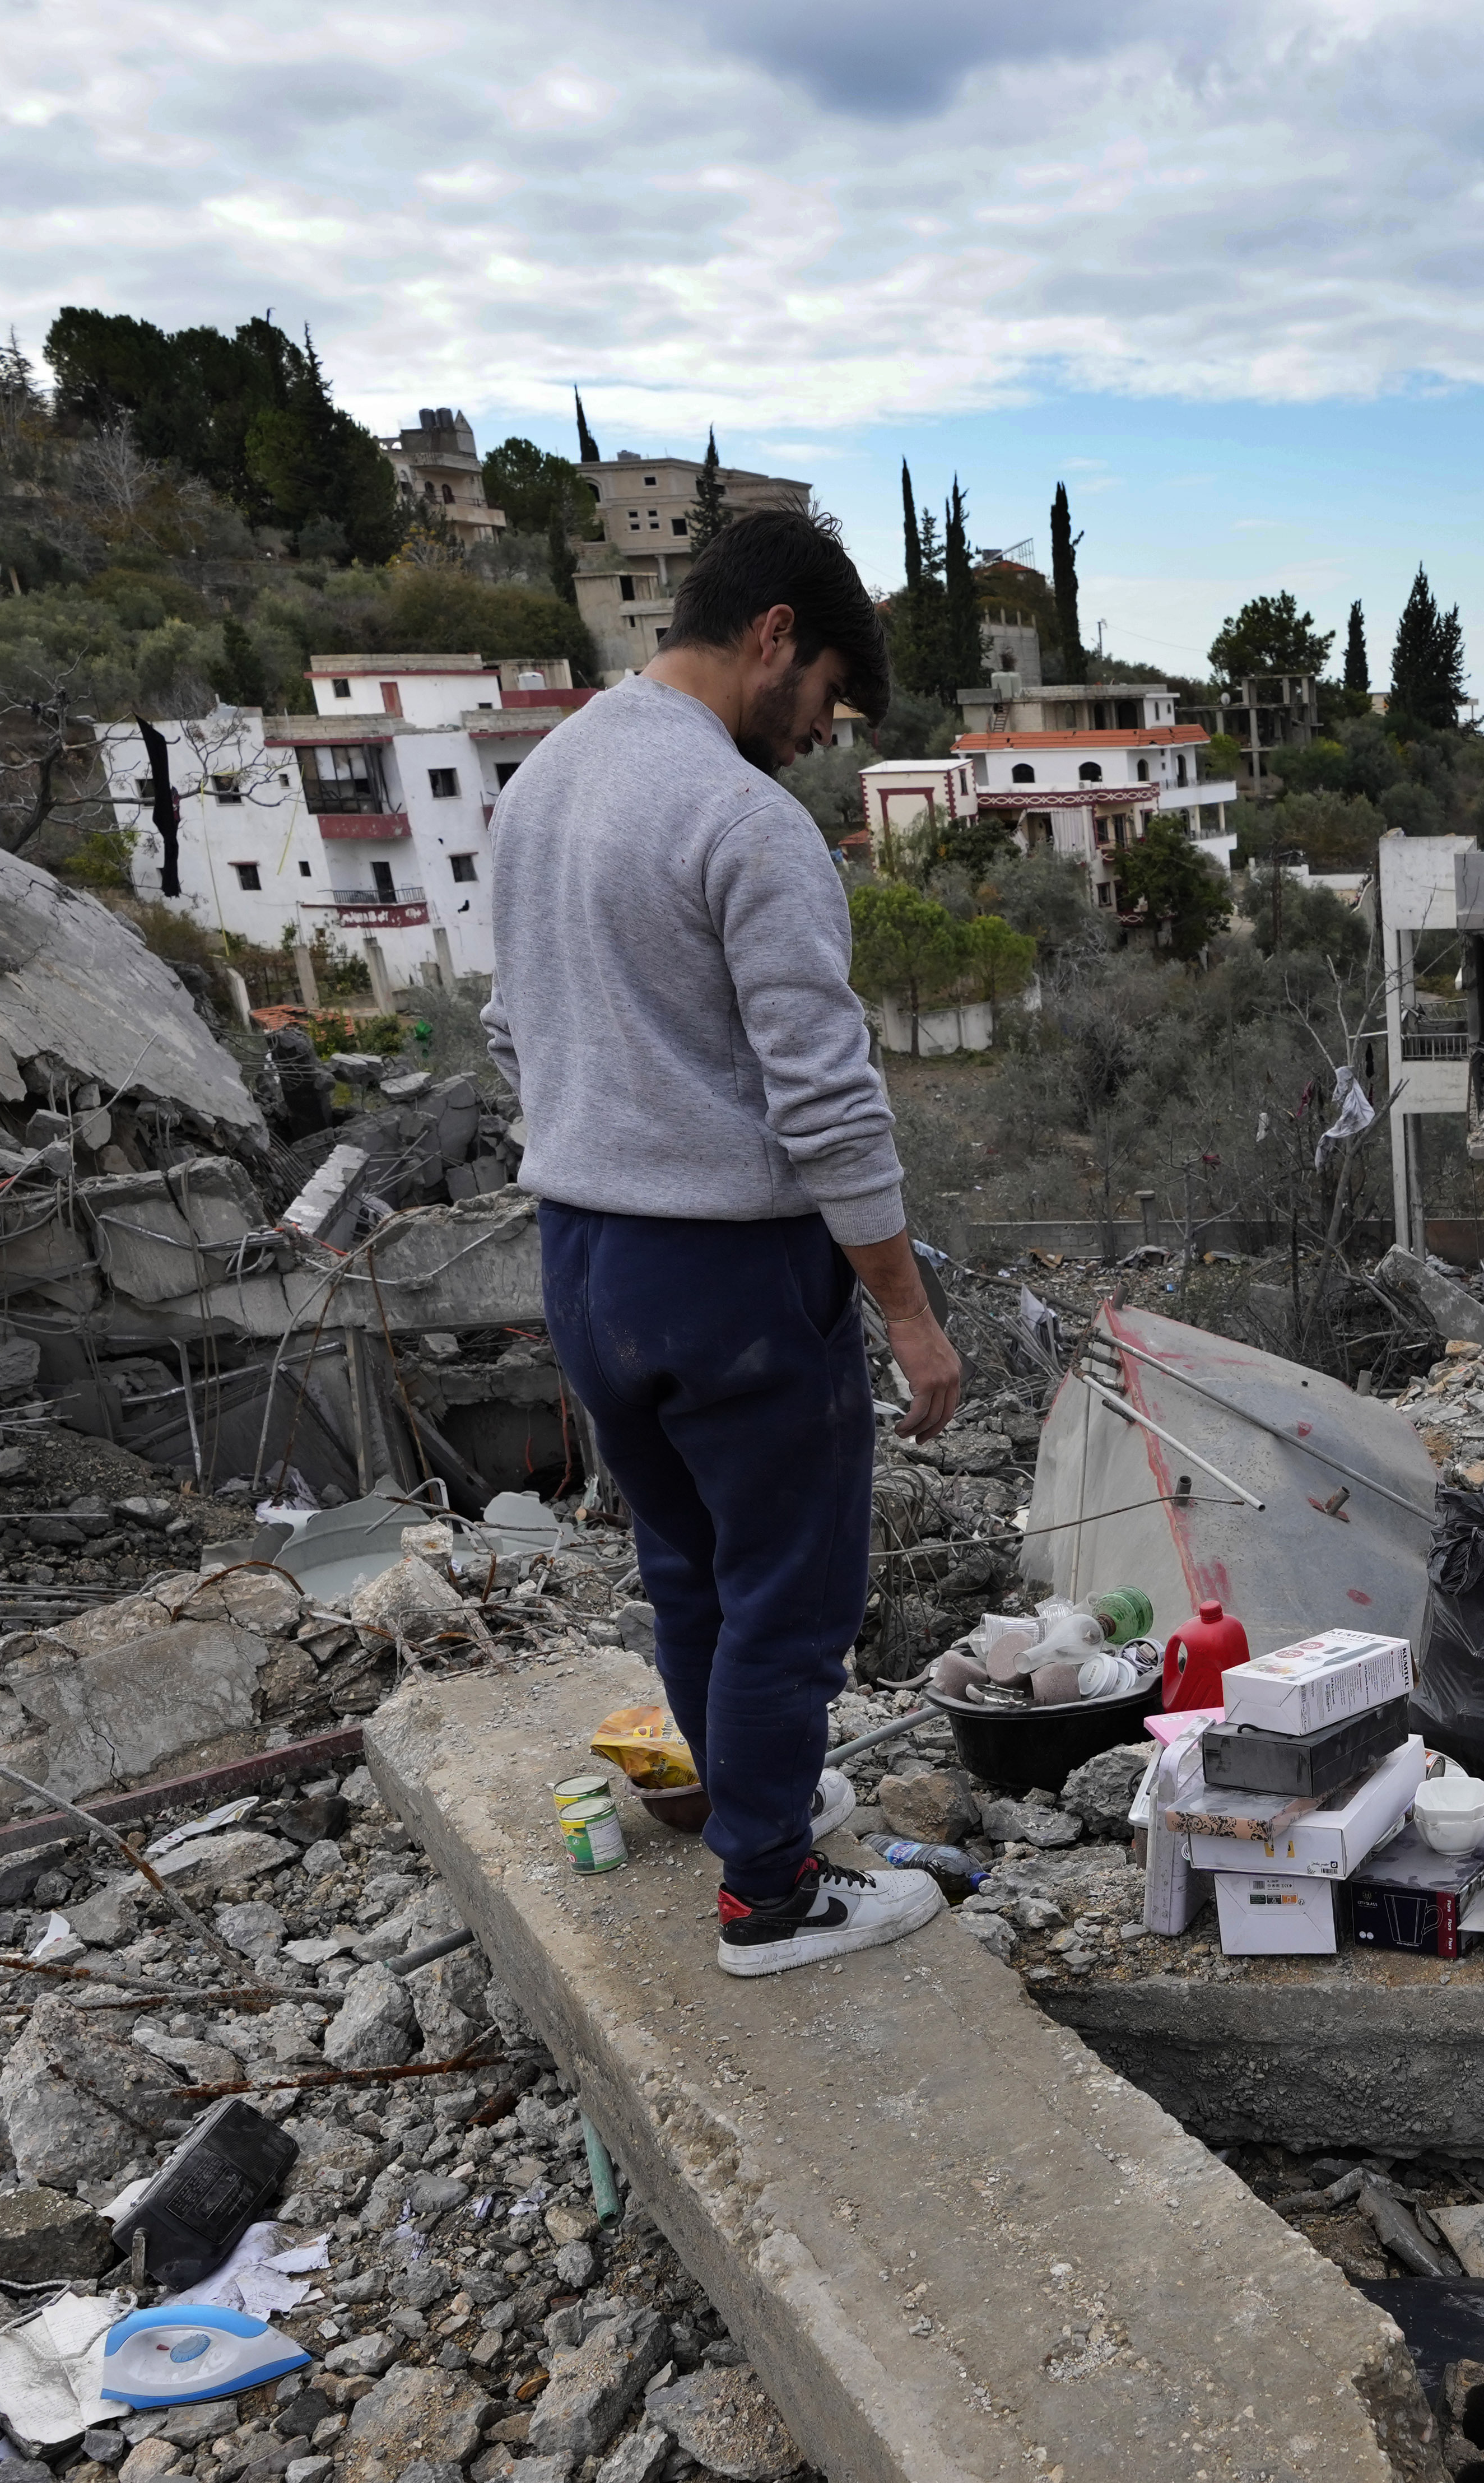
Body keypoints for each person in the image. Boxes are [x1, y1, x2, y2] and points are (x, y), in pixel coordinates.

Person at [489, 510, 966, 1978]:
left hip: (583, 1260)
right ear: (773, 634)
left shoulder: (550, 778)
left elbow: (513, 1028)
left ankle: (742, 1813)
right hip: (732, 1282)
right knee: (789, 1599)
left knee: (691, 1572)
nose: (821, 733)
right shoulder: (741, 820)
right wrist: (906, 1308)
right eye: (825, 697)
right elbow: (826, 1102)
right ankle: (772, 1899)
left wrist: (605, 1152)